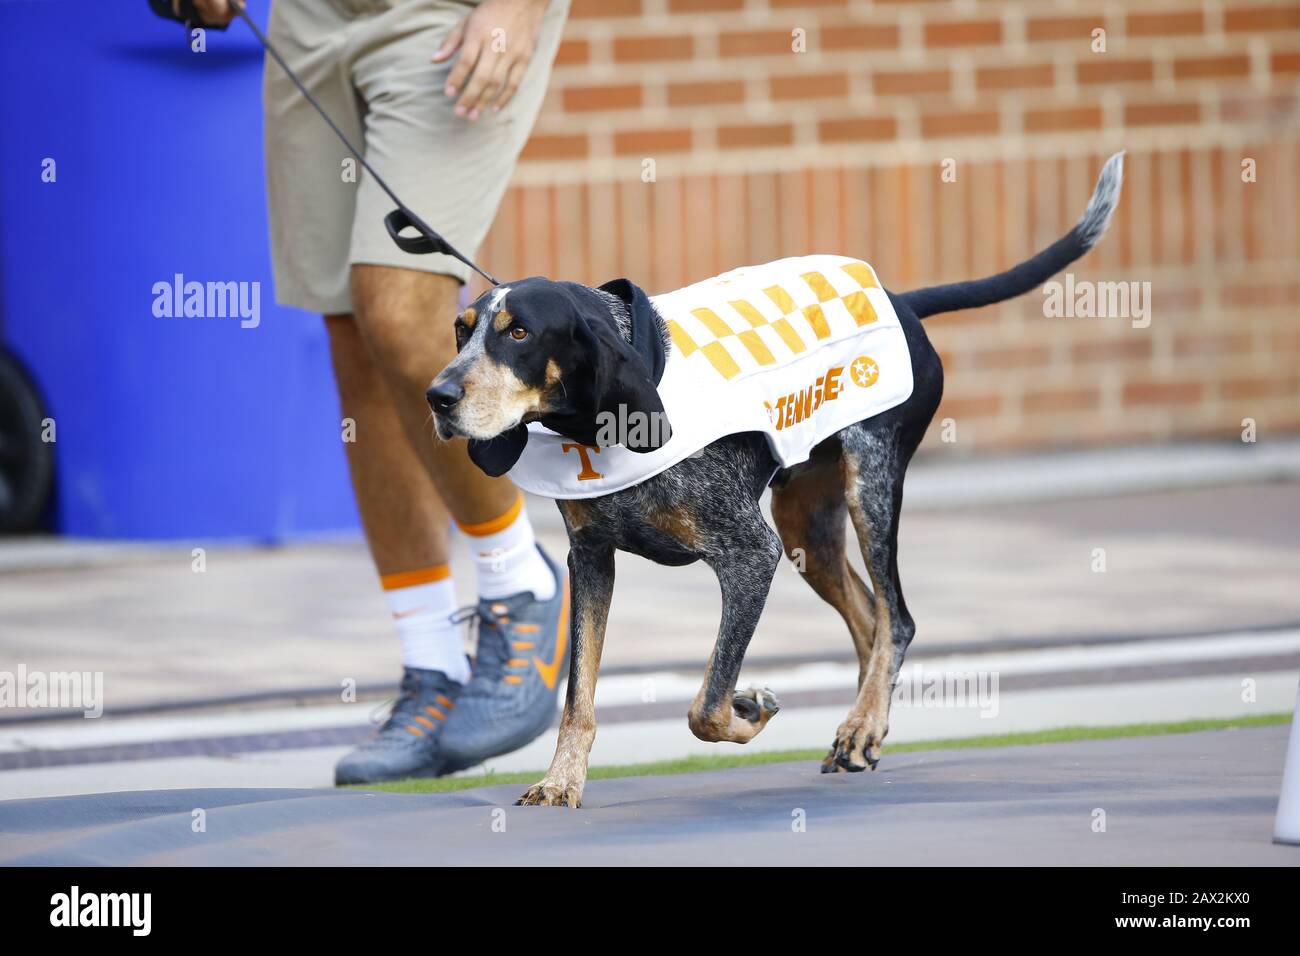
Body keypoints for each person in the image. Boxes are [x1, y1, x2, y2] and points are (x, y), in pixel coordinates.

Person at [160, 0, 572, 784]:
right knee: (354, 335)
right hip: (308, 19)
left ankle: (520, 578)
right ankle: (432, 662)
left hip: (444, 15)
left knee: (398, 308)